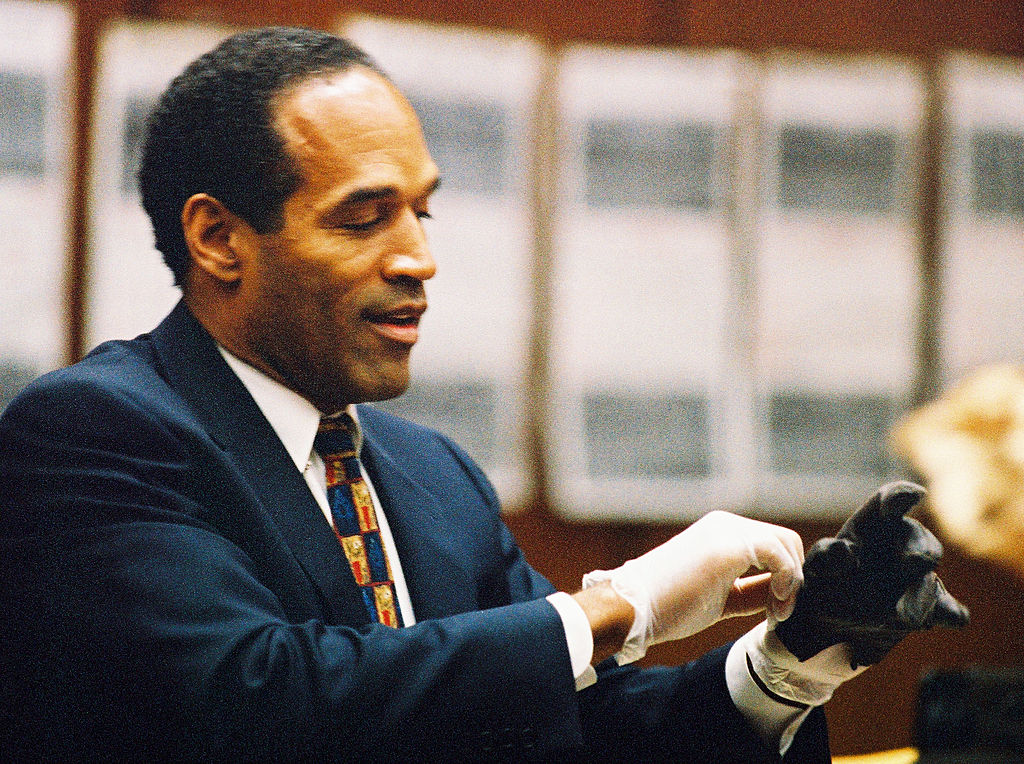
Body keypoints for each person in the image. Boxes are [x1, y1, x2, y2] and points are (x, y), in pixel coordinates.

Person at [0, 27, 943, 762]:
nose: (419, 258)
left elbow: (572, 725)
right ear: (217, 239)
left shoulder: (433, 477)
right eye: (364, 218)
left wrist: (788, 662)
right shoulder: (96, 429)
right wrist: (625, 604)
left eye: (422, 210)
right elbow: (261, 702)